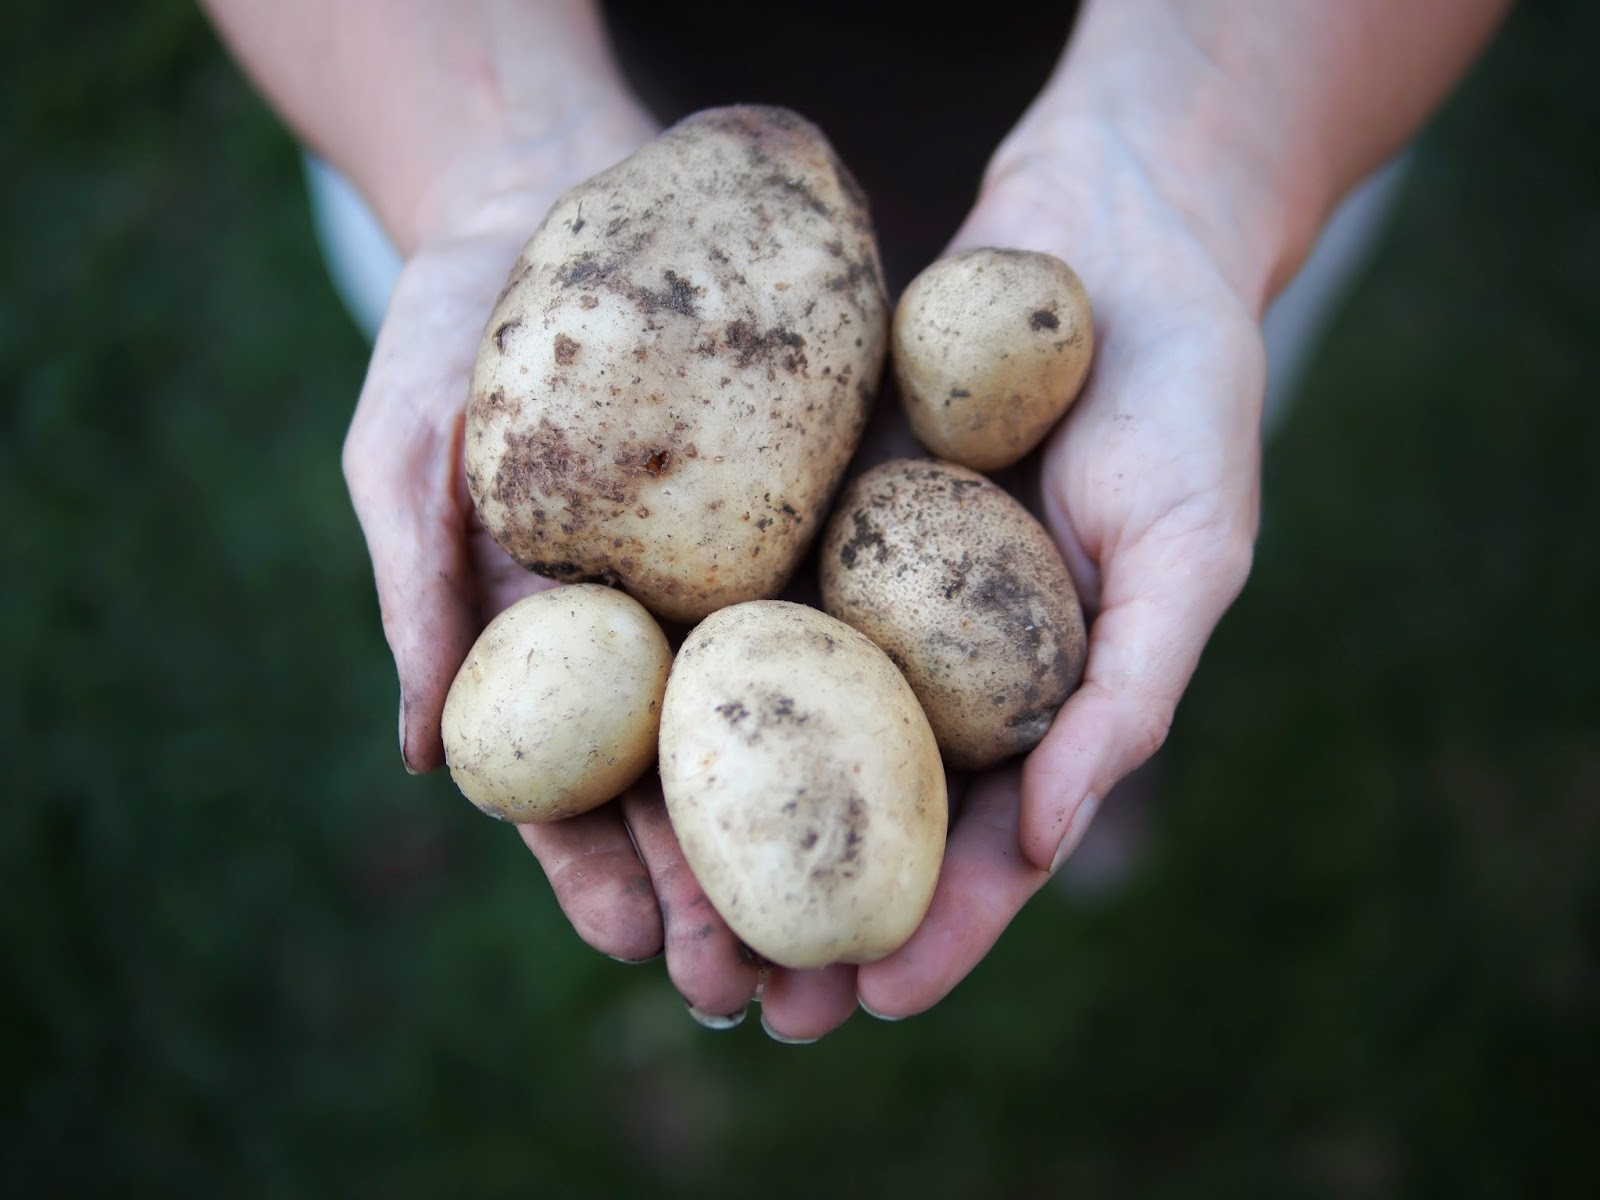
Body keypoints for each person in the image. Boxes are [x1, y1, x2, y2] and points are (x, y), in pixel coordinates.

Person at [200, 0, 1510, 1043]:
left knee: (1116, 523)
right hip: (529, 107)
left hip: (1182, 102)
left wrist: (1188, 169)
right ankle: (1077, 773)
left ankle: (1075, 759)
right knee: (1073, 634)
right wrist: (484, 157)